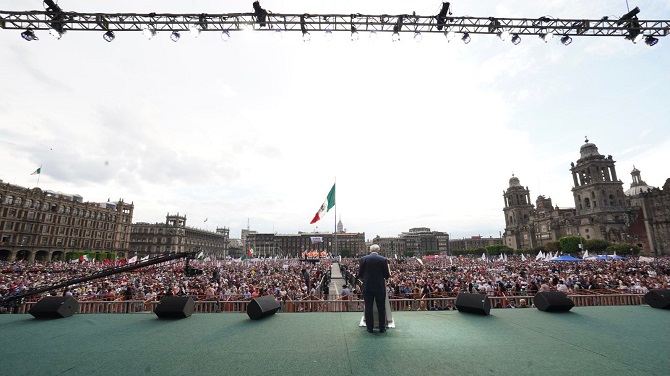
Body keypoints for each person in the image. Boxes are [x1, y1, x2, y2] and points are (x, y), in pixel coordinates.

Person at [357, 244, 391, 333]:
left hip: (367, 286)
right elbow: (387, 275)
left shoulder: (363, 259)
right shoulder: (383, 259)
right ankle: (382, 327)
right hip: (379, 286)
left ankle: (370, 328)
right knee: (381, 307)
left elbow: (360, 274)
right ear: (378, 250)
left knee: (368, 307)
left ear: (370, 250)